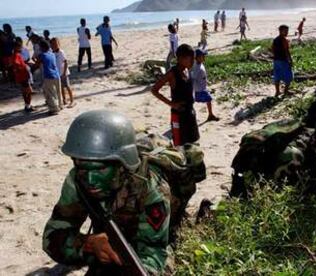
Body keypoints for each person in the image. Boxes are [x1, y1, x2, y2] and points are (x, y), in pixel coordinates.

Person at [42, 110, 170, 275]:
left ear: (122, 165)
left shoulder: (151, 187)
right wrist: (89, 244)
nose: (90, 179)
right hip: (109, 240)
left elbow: (155, 252)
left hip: (158, 239)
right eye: (82, 168)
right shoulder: (78, 179)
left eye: (100, 170)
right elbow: (51, 238)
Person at [152, 44, 200, 147]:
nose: (192, 62)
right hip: (178, 116)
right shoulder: (172, 73)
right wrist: (171, 104)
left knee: (193, 143)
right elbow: (154, 90)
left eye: (193, 59)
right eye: (190, 59)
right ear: (181, 58)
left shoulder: (187, 70)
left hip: (190, 113)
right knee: (180, 145)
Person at [192, 49, 219, 122]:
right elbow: (193, 79)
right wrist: (195, 89)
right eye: (202, 56)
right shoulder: (197, 67)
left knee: (204, 100)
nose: (204, 57)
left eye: (204, 56)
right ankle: (210, 115)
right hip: (200, 89)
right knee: (209, 99)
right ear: (197, 58)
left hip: (202, 87)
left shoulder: (199, 64)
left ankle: (210, 115)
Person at [36, 39, 61, 115]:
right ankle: (60, 105)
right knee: (58, 92)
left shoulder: (42, 55)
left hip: (48, 76)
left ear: (42, 47)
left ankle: (54, 109)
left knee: (50, 93)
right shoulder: (52, 53)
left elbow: (37, 64)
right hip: (56, 74)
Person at [51, 38, 75, 107]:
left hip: (64, 73)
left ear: (58, 44)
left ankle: (72, 100)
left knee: (67, 86)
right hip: (58, 73)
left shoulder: (61, 52)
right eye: (52, 44)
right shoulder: (53, 53)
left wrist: (64, 73)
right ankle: (64, 100)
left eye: (55, 44)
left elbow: (66, 62)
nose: (54, 46)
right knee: (61, 87)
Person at [11, 40, 34, 112]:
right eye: (20, 46)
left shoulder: (16, 54)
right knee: (30, 91)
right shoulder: (16, 55)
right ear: (16, 47)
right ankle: (28, 105)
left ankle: (27, 105)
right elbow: (16, 63)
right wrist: (21, 68)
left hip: (22, 76)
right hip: (23, 75)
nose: (21, 48)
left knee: (24, 91)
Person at [272, 25, 293, 97]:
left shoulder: (275, 40)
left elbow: (273, 50)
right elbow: (287, 51)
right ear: (281, 31)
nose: (287, 32)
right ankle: (286, 91)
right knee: (289, 76)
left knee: (277, 76)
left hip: (276, 60)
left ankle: (277, 92)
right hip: (283, 60)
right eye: (286, 31)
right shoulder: (284, 40)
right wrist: (290, 60)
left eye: (287, 31)